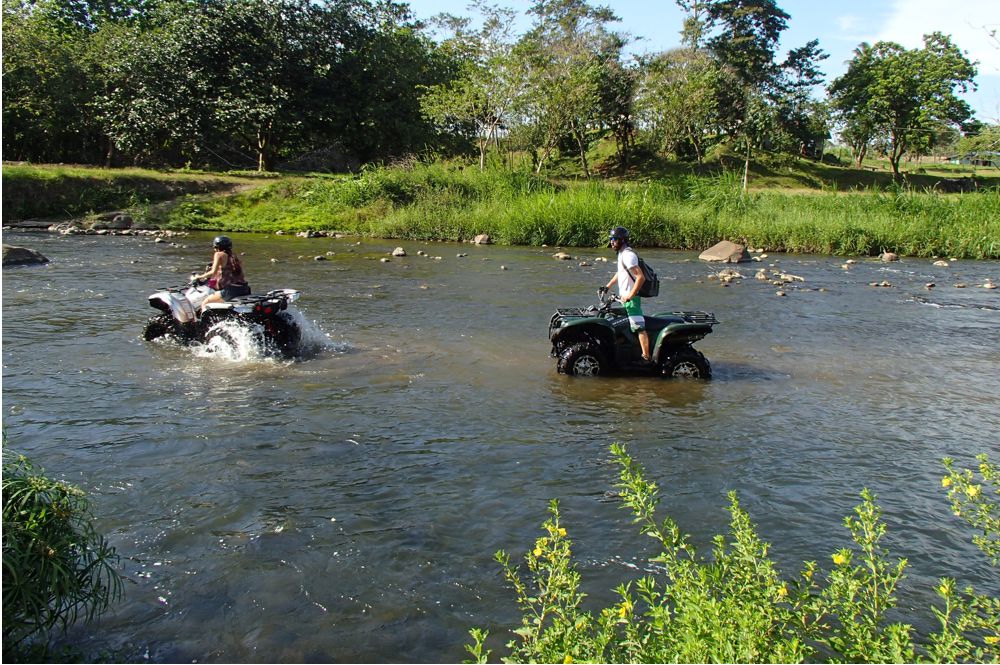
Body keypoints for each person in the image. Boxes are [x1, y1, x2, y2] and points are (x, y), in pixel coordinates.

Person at [600, 226, 652, 363]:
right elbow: (620, 272)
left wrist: (630, 295)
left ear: (622, 240)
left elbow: (640, 277)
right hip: (624, 298)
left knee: (639, 327)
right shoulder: (622, 255)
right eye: (611, 239)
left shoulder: (629, 256)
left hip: (632, 299)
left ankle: (646, 358)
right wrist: (607, 286)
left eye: (615, 239)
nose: (612, 242)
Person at [192, 235, 250, 312]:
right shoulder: (234, 256)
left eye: (215, 247)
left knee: (205, 304)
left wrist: (198, 277)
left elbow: (213, 272)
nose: (214, 249)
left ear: (218, 247)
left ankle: (205, 324)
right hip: (244, 289)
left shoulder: (219, 254)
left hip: (231, 290)